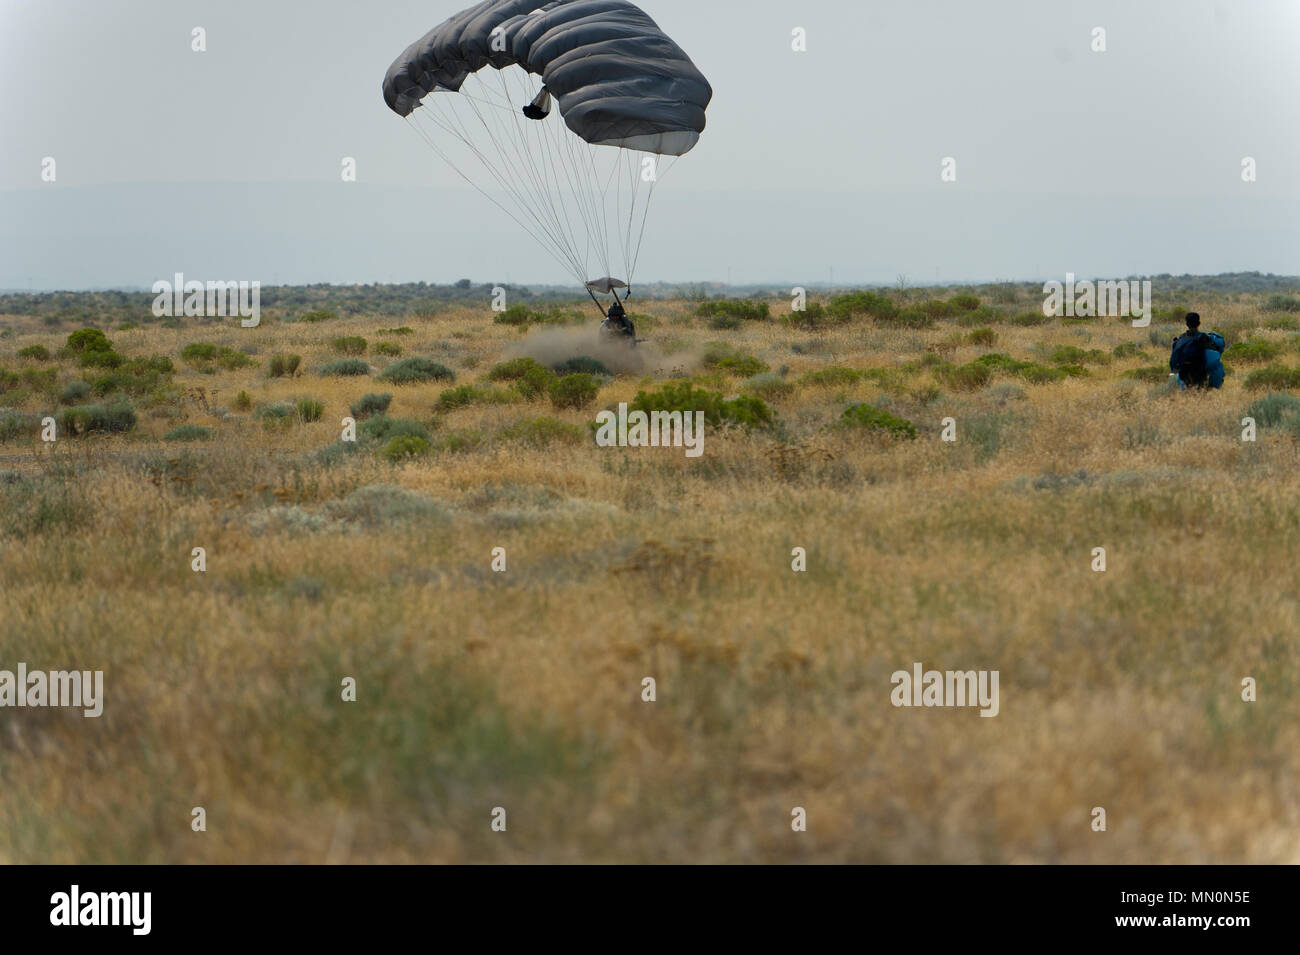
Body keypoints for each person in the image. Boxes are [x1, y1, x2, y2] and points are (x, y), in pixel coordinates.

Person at [1169, 312, 1225, 390]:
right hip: (1199, 372)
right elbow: (1215, 348)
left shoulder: (1182, 338)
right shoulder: (1202, 337)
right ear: (1199, 323)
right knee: (1217, 366)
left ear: (1187, 324)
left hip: (1183, 373)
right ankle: (1214, 387)